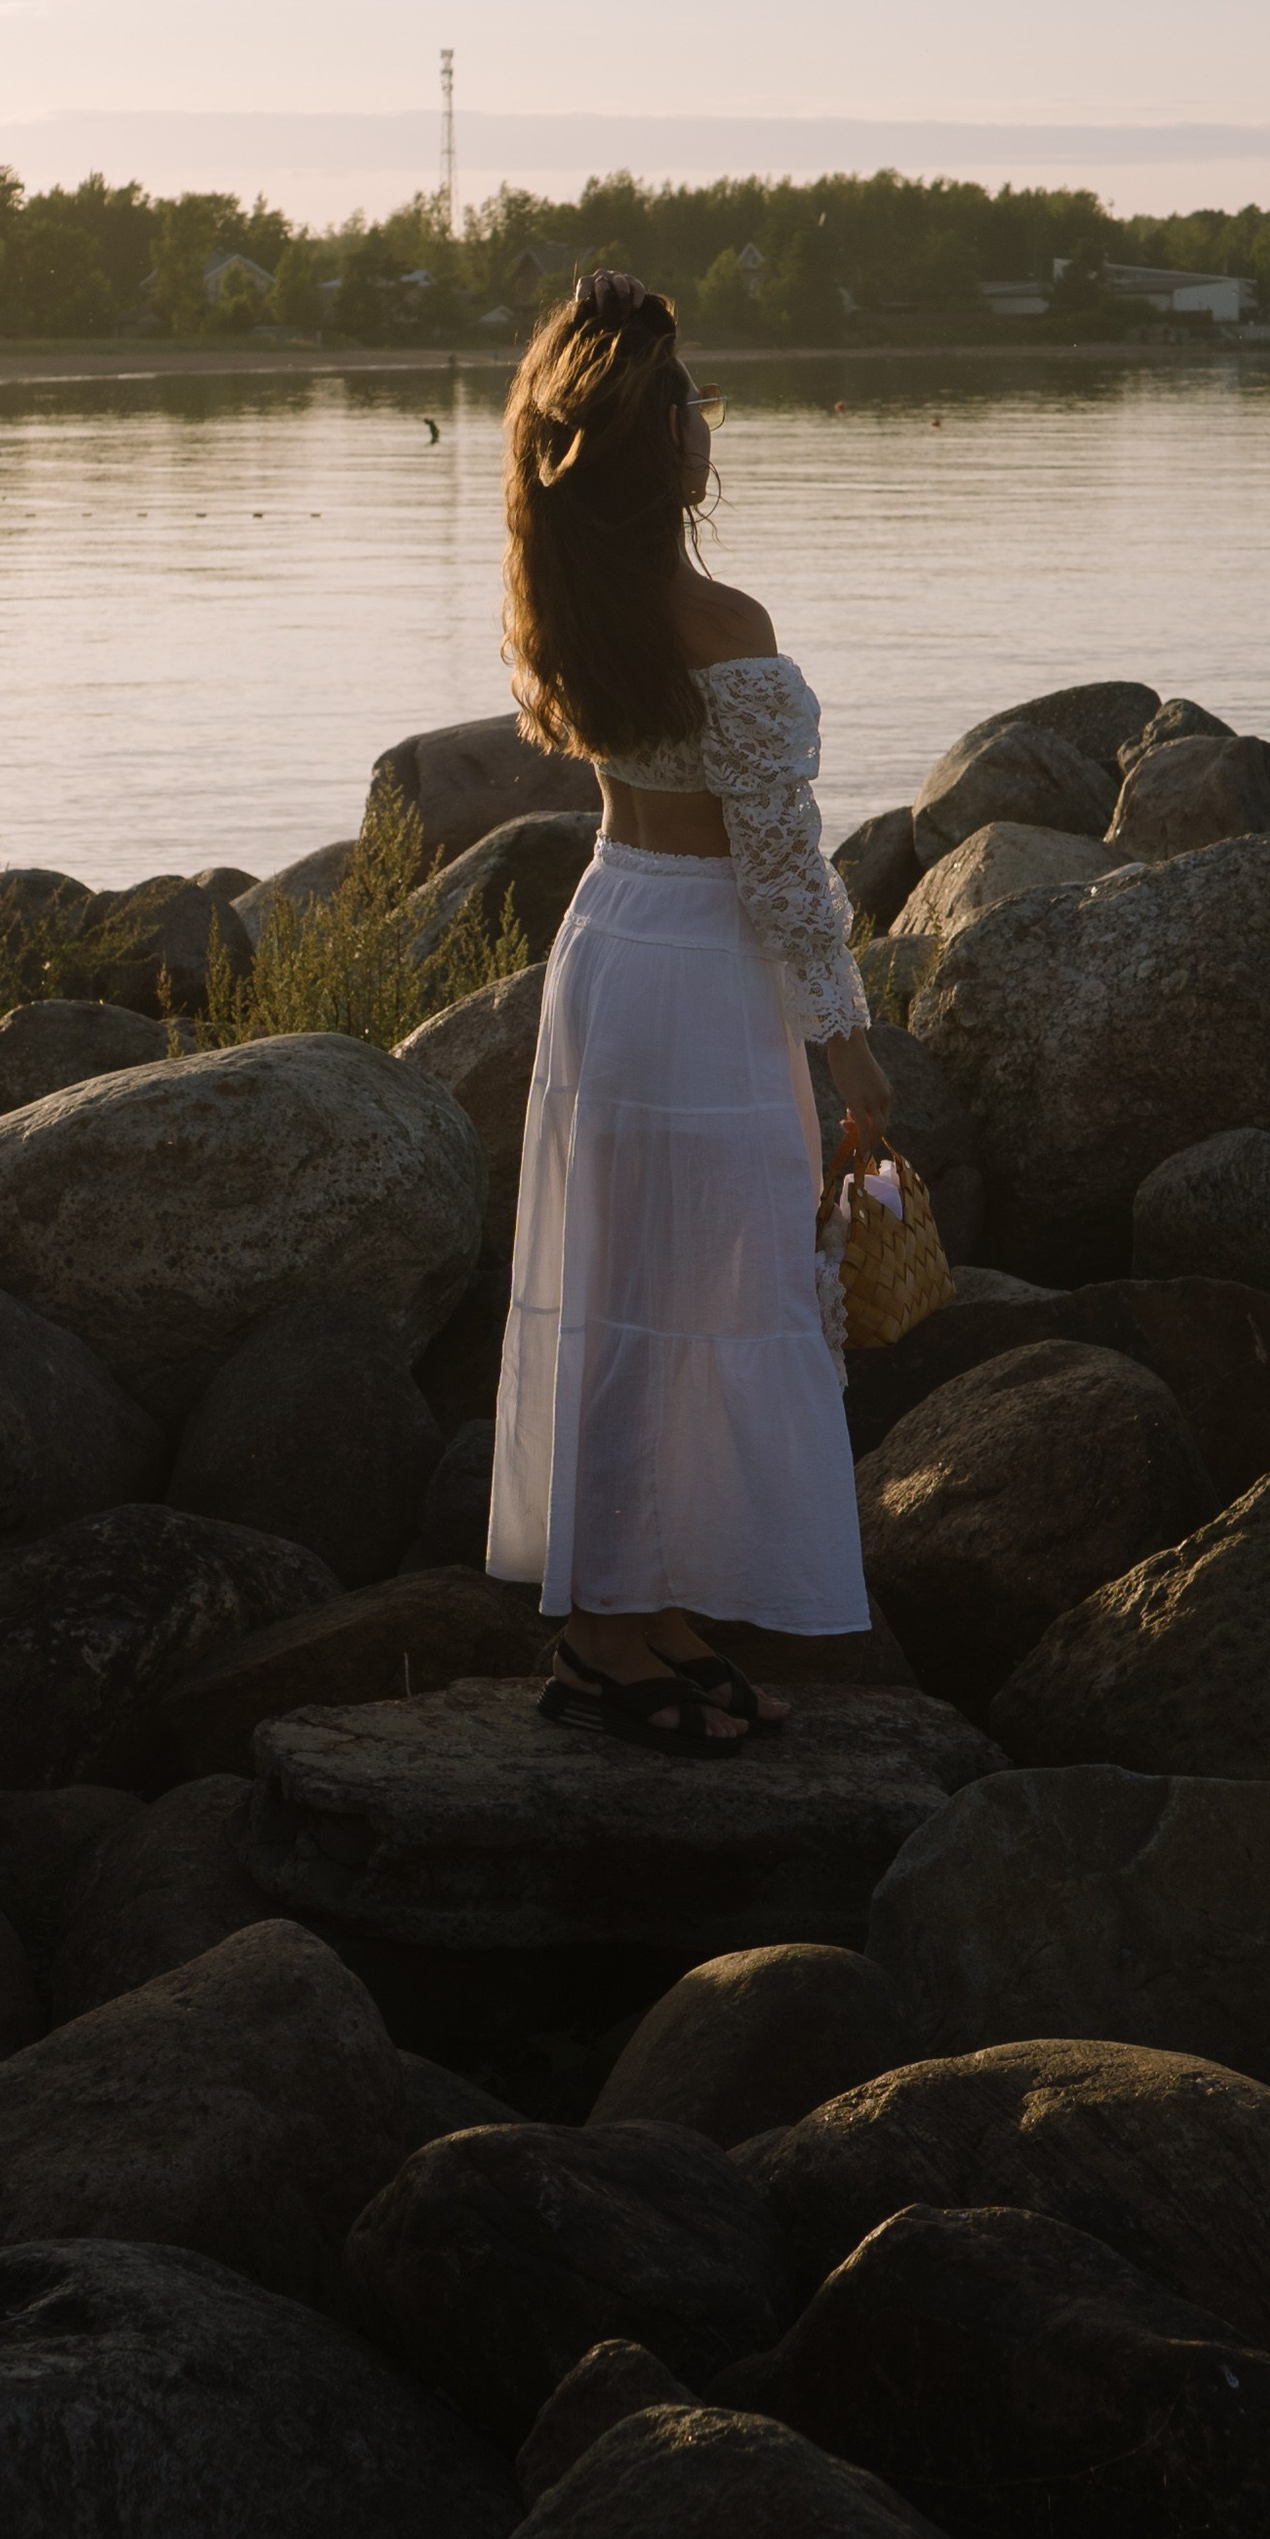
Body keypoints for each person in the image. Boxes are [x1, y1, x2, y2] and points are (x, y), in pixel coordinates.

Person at [486, 271, 894, 1753]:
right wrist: (850, 1048)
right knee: (721, 1282)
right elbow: (784, 874)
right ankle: (604, 1637)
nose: (706, 418)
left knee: (626, 1287)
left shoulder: (567, 599)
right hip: (706, 962)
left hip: (611, 939)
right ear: (656, 441)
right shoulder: (720, 619)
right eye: (687, 398)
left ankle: (635, 1607)